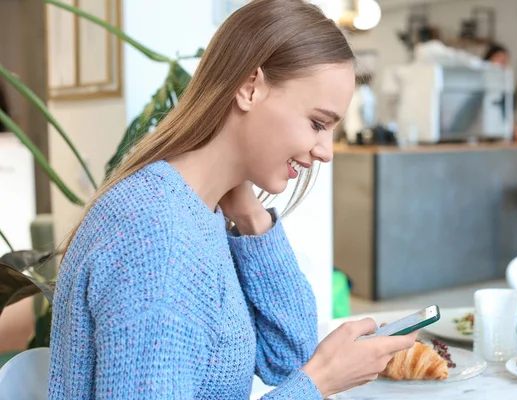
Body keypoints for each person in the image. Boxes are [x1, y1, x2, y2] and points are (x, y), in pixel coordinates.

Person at [47, 0, 418, 399]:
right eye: (316, 123)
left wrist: (250, 216)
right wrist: (319, 383)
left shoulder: (198, 210)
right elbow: (301, 372)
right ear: (249, 87)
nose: (326, 151)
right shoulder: (158, 237)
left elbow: (287, 356)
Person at [483, 43, 517, 142]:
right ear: (488, 60)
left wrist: (516, 130)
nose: (503, 63)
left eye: (505, 60)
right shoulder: (481, 86)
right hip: (485, 137)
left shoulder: (505, 87)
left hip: (501, 137)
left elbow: (507, 114)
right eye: (499, 59)